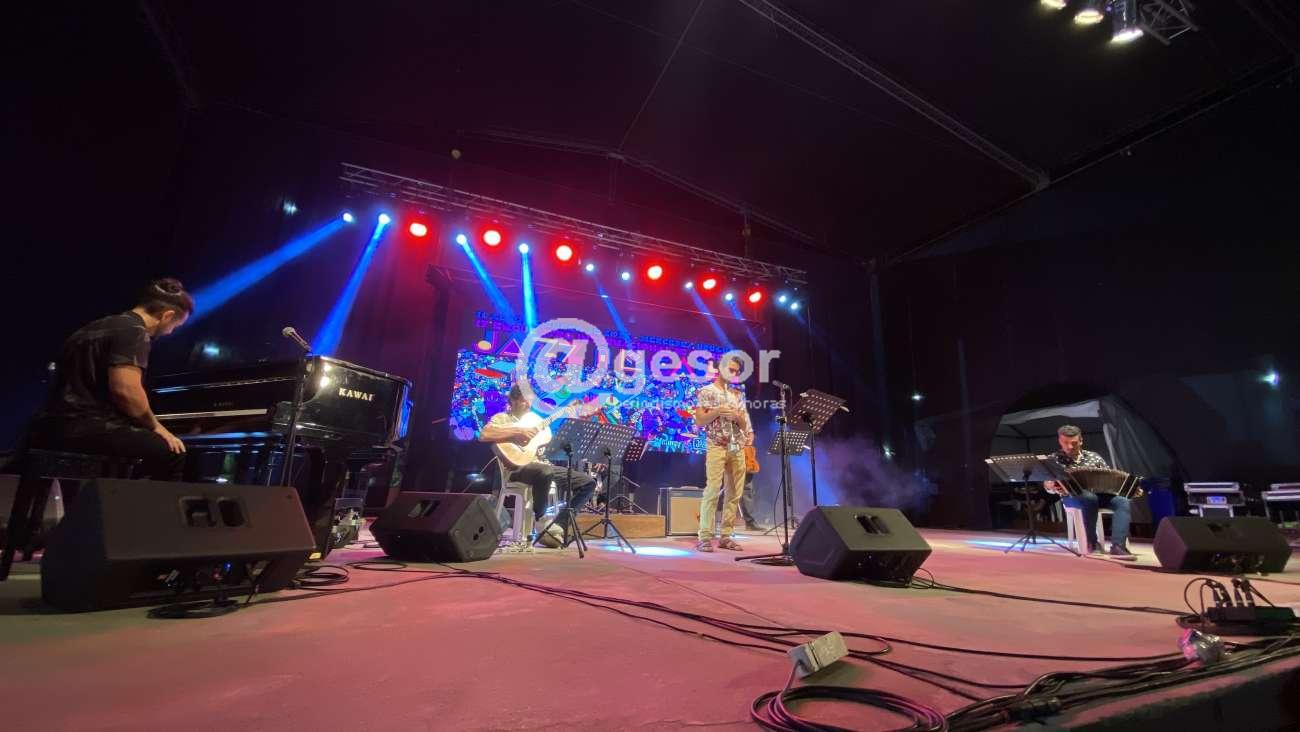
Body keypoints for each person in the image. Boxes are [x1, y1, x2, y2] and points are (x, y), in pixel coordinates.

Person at [25, 278, 193, 480]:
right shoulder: (134, 332)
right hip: (86, 427)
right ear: (167, 315)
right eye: (175, 326)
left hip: (51, 424)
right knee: (172, 453)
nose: (169, 332)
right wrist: (156, 427)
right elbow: (126, 391)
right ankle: (131, 500)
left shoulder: (93, 327)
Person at [479, 383, 596, 546]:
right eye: (524, 400)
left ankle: (558, 525)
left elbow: (547, 446)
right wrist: (519, 431)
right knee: (545, 471)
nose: (528, 404)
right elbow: (484, 434)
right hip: (515, 468)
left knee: (588, 483)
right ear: (513, 400)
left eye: (530, 401)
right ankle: (541, 519)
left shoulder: (535, 420)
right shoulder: (502, 418)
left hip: (539, 465)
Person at [1044, 424, 1135, 559]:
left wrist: (1126, 488)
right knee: (1089, 498)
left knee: (1123, 501)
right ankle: (1092, 542)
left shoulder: (1094, 457)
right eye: (1065, 443)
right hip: (1071, 497)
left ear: (1081, 440)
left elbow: (1109, 477)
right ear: (1060, 441)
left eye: (1074, 443)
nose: (1070, 446)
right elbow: (1047, 486)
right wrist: (1050, 486)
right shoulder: (1054, 459)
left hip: (1099, 495)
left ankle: (1118, 546)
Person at [694, 356, 754, 552]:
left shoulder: (737, 394)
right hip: (717, 446)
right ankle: (704, 536)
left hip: (737, 446)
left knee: (735, 493)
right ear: (720, 368)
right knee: (712, 490)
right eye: (730, 369)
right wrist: (718, 411)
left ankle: (726, 536)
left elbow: (744, 425)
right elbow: (700, 421)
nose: (733, 373)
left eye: (736, 371)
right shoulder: (707, 391)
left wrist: (737, 417)